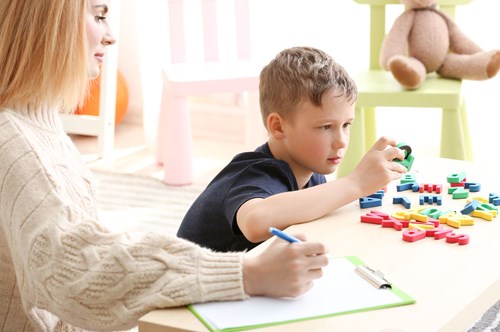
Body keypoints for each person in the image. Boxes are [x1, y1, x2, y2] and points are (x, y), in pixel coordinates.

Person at [0, 1, 330, 331]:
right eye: (99, 16)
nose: (112, 36)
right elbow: (76, 271)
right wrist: (247, 273)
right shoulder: (15, 143)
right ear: (48, 22)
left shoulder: (38, 126)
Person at [177, 46, 407, 252]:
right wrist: (354, 183)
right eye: (326, 126)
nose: (341, 141)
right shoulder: (255, 174)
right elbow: (256, 222)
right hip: (193, 288)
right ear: (278, 126)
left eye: (346, 125)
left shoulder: (311, 168)